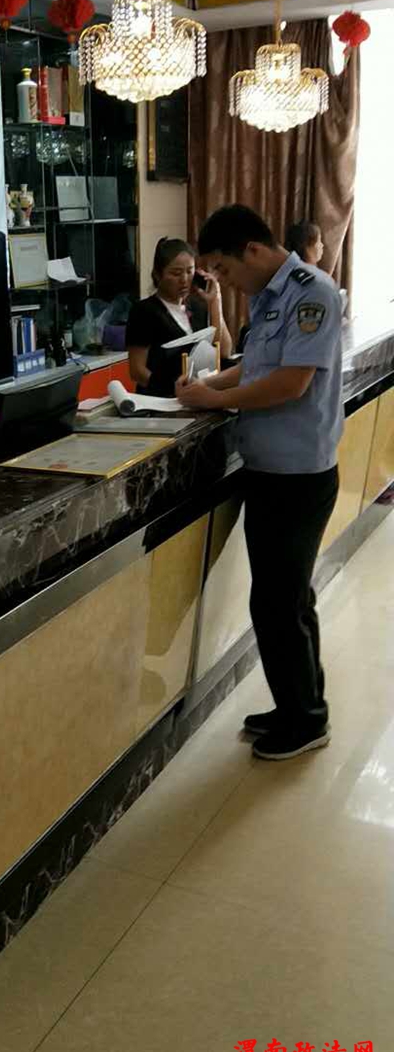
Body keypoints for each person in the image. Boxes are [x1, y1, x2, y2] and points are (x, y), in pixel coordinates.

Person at [176, 204, 343, 762]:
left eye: (224, 269)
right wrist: (208, 385)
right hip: (269, 472)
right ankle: (296, 706)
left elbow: (291, 383)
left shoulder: (312, 292)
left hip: (297, 477)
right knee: (280, 600)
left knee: (280, 603)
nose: (224, 282)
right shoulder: (273, 297)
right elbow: (256, 367)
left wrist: (216, 399)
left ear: (251, 250)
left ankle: (306, 721)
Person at [126, 237, 232, 396]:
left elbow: (223, 353)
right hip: (161, 399)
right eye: (176, 273)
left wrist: (215, 302)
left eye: (190, 271)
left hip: (198, 395)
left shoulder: (198, 306)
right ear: (158, 275)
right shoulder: (144, 311)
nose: (184, 280)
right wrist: (172, 391)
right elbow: (137, 371)